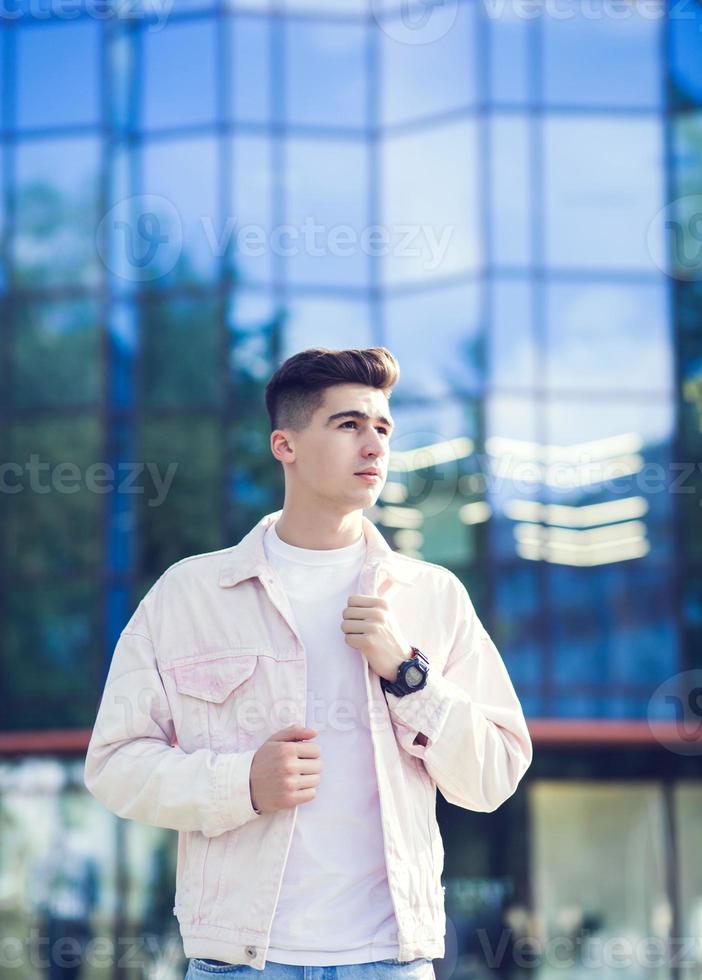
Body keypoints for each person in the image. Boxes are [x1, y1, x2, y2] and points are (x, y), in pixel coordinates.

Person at [84, 346, 533, 980]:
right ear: (285, 445)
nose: (373, 446)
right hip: (239, 963)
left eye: (382, 428)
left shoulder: (431, 597)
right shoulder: (188, 595)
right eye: (348, 425)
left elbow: (495, 773)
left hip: (389, 962)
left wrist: (410, 674)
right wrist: (241, 785)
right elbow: (114, 764)